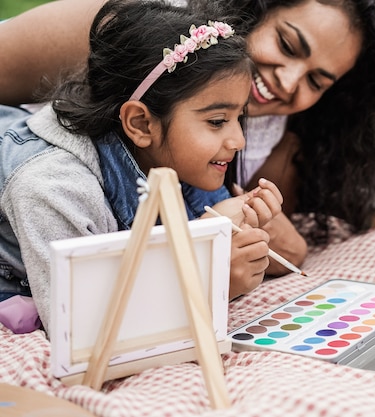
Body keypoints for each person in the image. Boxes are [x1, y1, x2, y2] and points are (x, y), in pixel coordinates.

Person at [0, 0, 375, 242]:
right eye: (287, 43)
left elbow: (278, 239)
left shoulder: (270, 132)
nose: (288, 81)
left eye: (317, 81)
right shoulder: (127, 32)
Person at [0, 0, 305, 331]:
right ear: (141, 124)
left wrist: (240, 230)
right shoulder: (53, 189)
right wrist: (208, 280)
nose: (239, 141)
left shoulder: (179, 160)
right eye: (217, 121)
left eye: (238, 117)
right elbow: (80, 329)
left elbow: (226, 240)